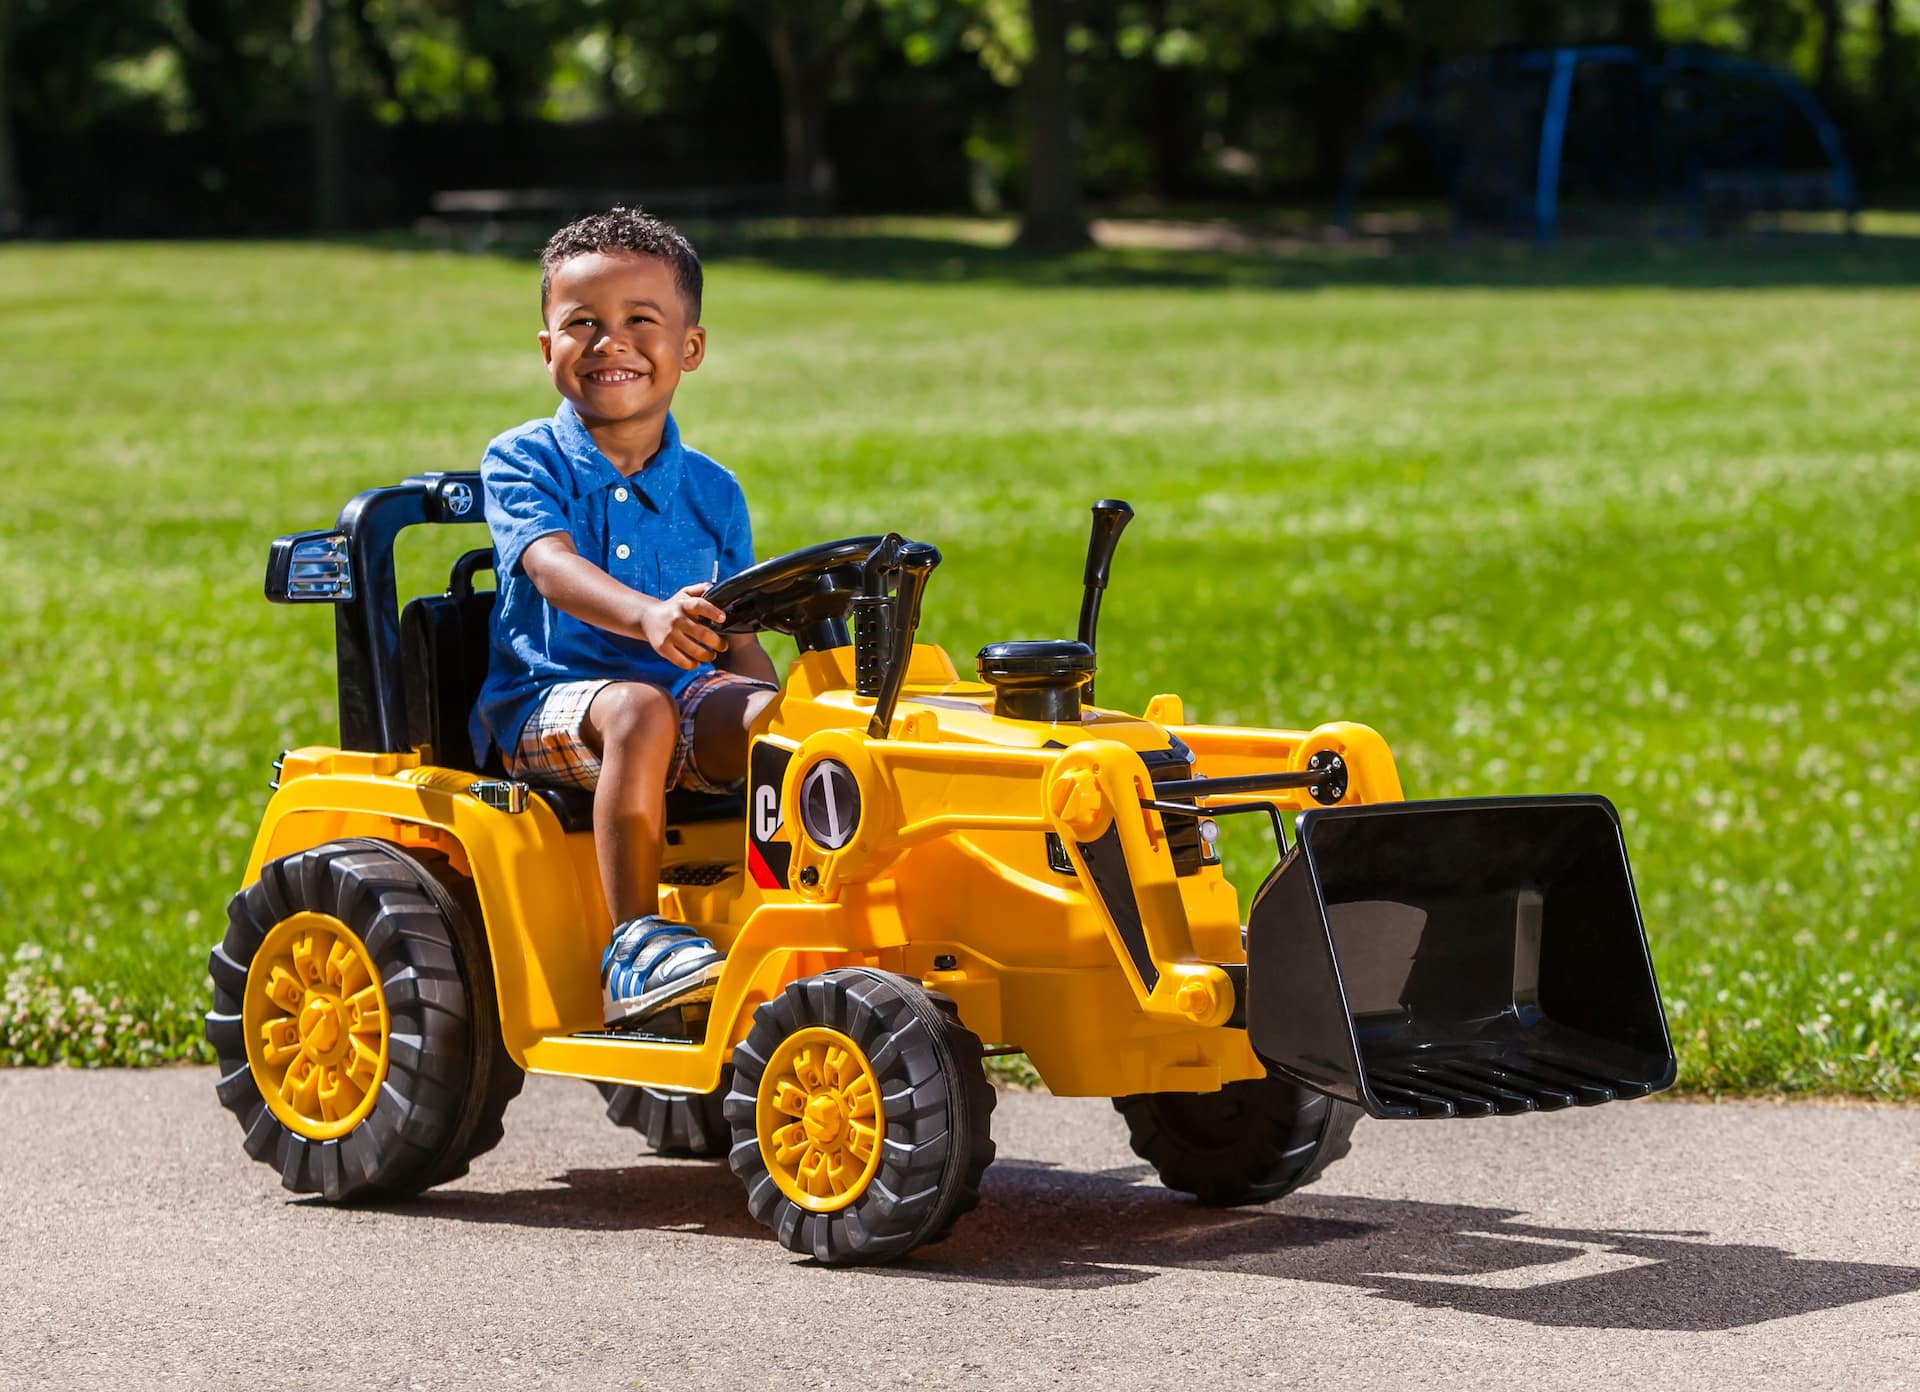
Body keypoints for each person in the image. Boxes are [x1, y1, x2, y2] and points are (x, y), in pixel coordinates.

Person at [469, 207, 777, 1029]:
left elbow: (736, 629)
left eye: (642, 321)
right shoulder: (523, 458)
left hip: (682, 698)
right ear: (548, 351)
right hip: (550, 700)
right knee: (636, 709)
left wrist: (783, 714)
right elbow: (550, 565)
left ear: (690, 348)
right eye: (583, 324)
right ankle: (634, 943)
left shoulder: (714, 490)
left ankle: (798, 923)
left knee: (793, 735)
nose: (612, 343)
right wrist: (644, 616)